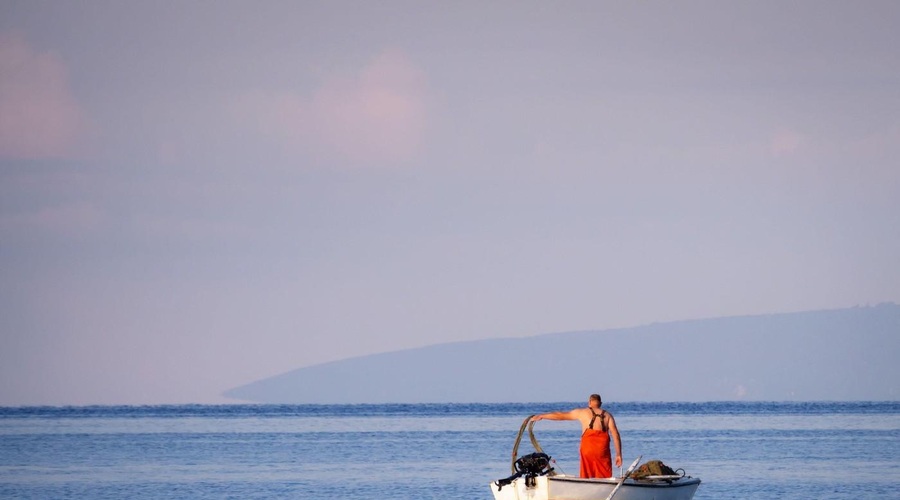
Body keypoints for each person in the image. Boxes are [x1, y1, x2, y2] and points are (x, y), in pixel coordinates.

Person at [531, 393, 622, 478]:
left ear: (589, 402)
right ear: (600, 403)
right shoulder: (608, 415)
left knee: (587, 473)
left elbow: (560, 416)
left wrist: (542, 416)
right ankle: (605, 488)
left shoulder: (582, 412)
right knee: (603, 473)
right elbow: (615, 435)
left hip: (587, 448)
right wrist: (618, 454)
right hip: (602, 450)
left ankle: (585, 487)